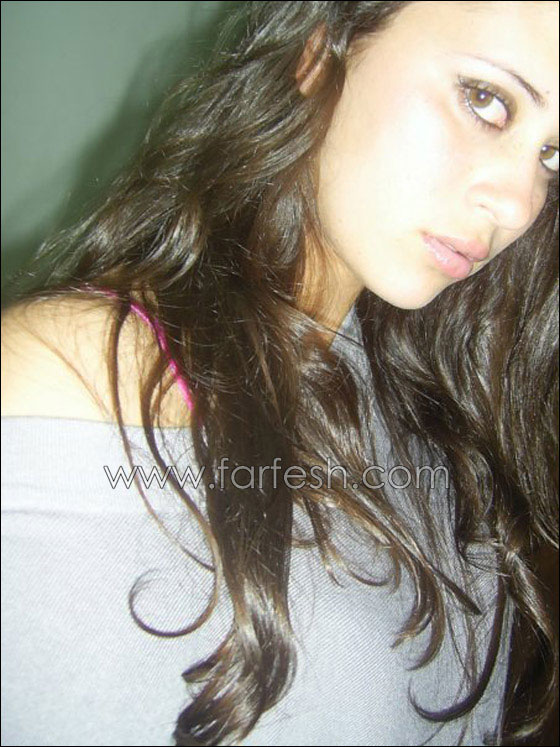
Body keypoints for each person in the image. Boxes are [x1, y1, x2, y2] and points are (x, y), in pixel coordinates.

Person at [1, 1, 558, 745]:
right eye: (485, 99)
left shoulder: (421, 405)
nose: (519, 203)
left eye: (552, 155)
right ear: (319, 53)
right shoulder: (67, 383)